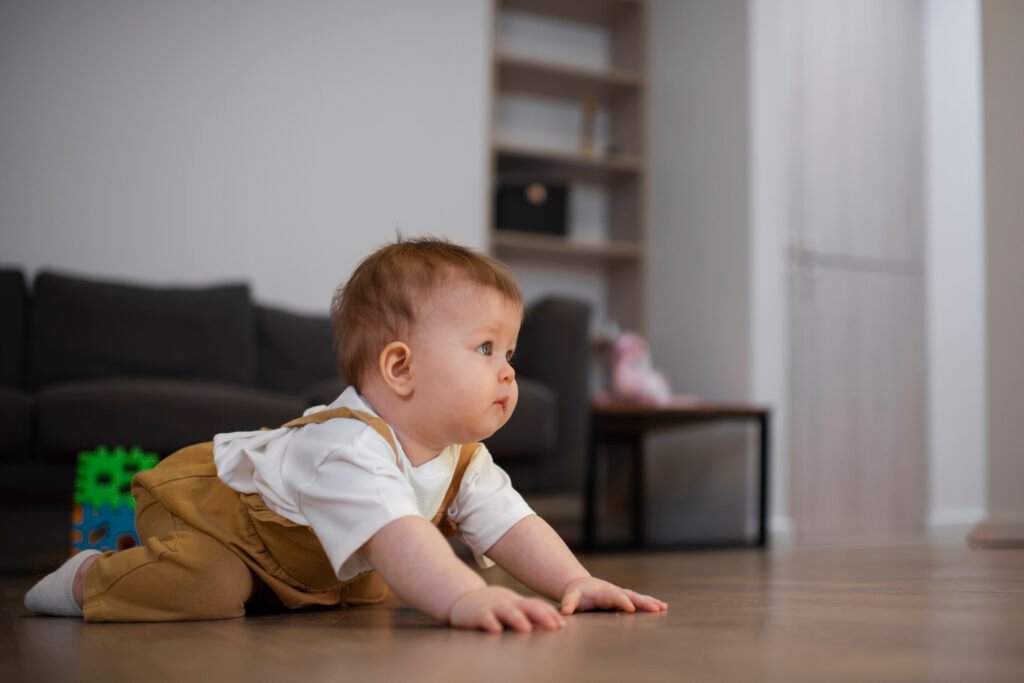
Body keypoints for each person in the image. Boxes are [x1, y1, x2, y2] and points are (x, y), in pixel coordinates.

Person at [25, 237, 667, 633]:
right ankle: (88, 577)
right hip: (211, 512)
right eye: (485, 347)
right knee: (211, 587)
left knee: (381, 579)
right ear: (400, 367)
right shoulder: (348, 446)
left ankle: (280, 594)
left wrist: (573, 580)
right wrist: (468, 597)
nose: (508, 370)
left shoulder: (464, 458)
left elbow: (511, 525)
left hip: (301, 557)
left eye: (510, 351)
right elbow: (403, 536)